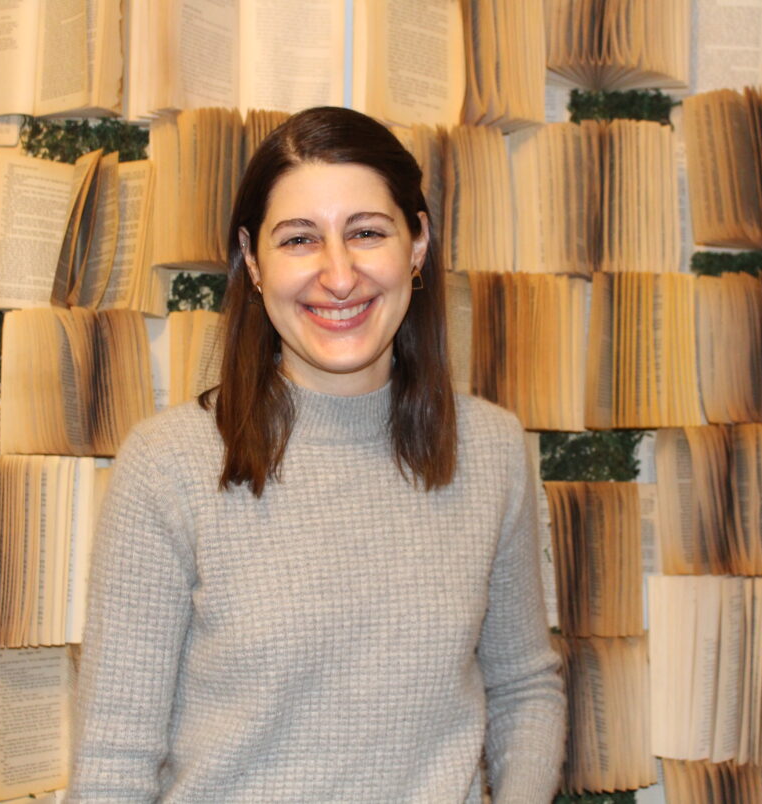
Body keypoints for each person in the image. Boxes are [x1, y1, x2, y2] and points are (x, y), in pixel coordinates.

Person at [67, 106, 566, 803]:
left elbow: (523, 686)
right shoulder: (168, 466)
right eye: (300, 239)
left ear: (417, 244)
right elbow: (113, 761)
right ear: (253, 260)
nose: (339, 275)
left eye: (366, 232)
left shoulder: (491, 452)